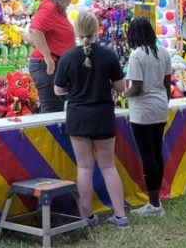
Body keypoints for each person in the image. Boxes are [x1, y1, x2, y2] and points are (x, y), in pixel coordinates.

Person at [54, 12, 129, 229]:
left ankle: (87, 217)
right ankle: (120, 215)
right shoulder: (108, 55)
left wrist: (76, 90)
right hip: (103, 116)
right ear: (97, 30)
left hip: (78, 117)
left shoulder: (67, 57)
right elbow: (120, 87)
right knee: (108, 166)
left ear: (76, 30)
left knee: (84, 167)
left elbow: (59, 89)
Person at [123, 18, 172, 217]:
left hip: (142, 111)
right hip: (160, 107)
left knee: (147, 156)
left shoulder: (136, 55)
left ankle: (153, 204)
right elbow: (167, 84)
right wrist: (163, 102)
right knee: (156, 153)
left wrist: (122, 93)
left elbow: (136, 87)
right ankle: (156, 200)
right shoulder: (163, 52)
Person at [28, 0, 77, 113]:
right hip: (47, 66)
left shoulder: (56, 9)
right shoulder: (49, 8)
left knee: (54, 109)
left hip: (54, 65)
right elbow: (35, 30)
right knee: (52, 111)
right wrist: (48, 58)